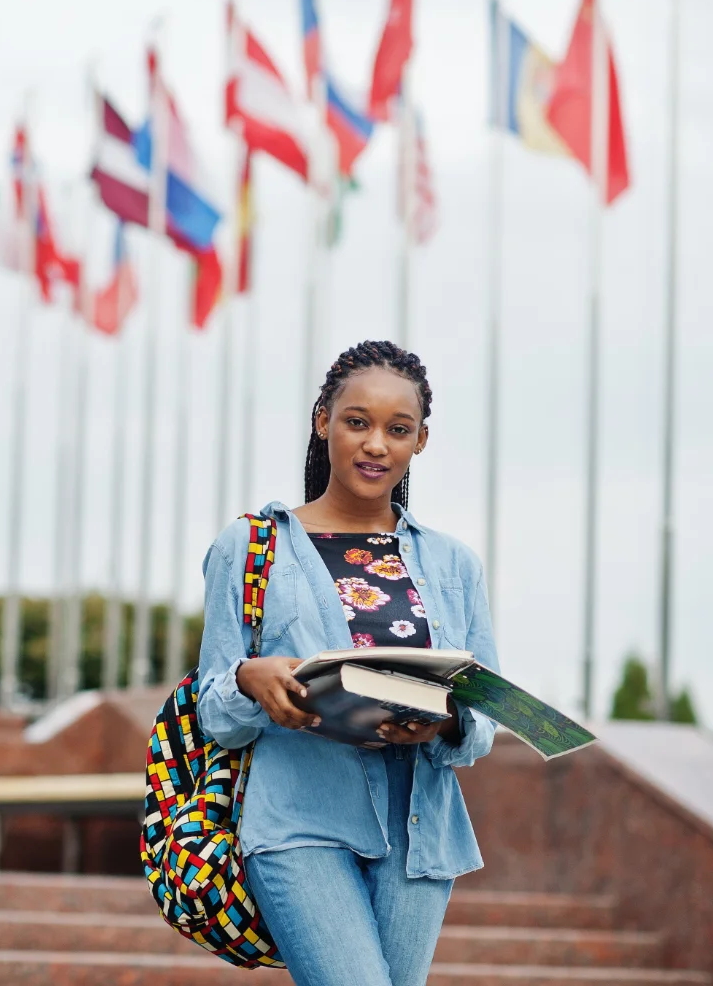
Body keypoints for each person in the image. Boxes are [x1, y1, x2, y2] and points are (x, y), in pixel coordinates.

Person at [196, 340, 498, 986]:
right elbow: (213, 710)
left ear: (420, 441)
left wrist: (444, 722)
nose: (375, 445)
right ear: (322, 422)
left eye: (398, 429)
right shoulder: (252, 547)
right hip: (298, 819)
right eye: (357, 422)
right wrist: (252, 679)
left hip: (421, 836)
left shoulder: (454, 566)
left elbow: (482, 718)